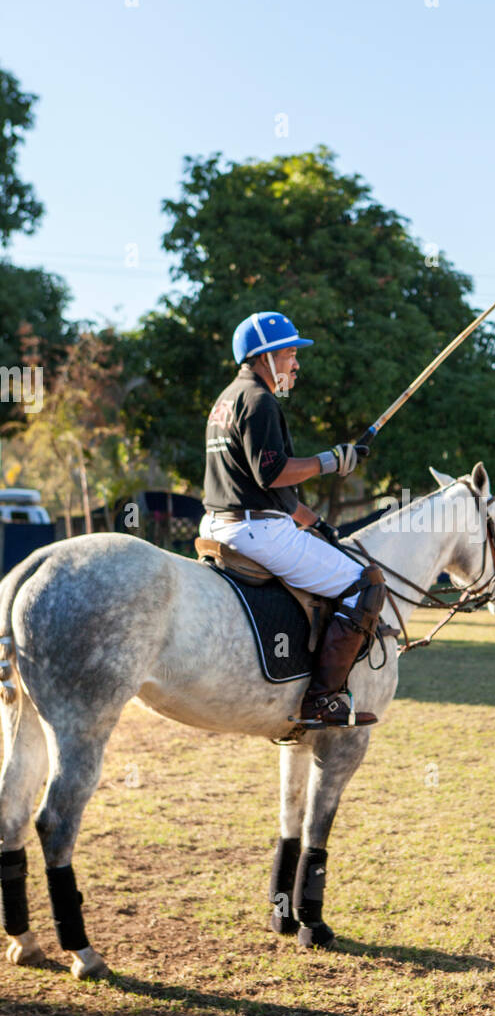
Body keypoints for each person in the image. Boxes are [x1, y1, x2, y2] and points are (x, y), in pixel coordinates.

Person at [199, 311, 385, 728]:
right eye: (289, 354)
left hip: (220, 523)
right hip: (255, 532)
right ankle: (323, 699)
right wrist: (331, 461)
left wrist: (313, 522)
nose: (296, 364)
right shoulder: (261, 401)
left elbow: (263, 486)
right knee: (366, 585)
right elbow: (273, 472)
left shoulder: (227, 399)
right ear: (264, 358)